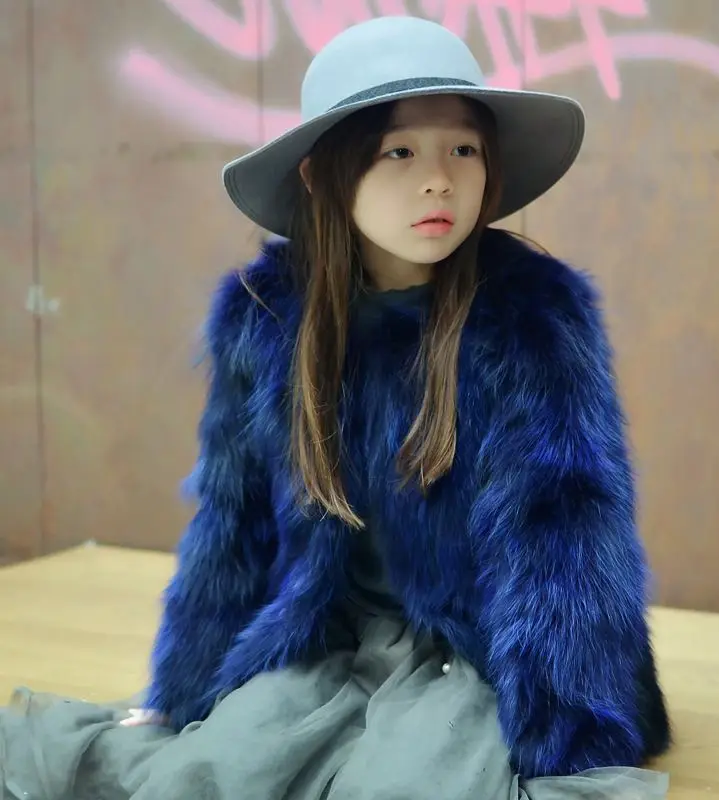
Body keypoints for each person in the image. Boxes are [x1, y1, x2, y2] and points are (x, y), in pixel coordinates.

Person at [0, 15, 672, 800]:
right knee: (213, 772)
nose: (439, 180)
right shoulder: (266, 318)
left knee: (406, 787)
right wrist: (184, 694)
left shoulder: (532, 319)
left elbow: (567, 539)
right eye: (399, 152)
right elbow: (232, 523)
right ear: (322, 175)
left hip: (475, 647)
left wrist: (570, 735)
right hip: (323, 633)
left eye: (464, 149)